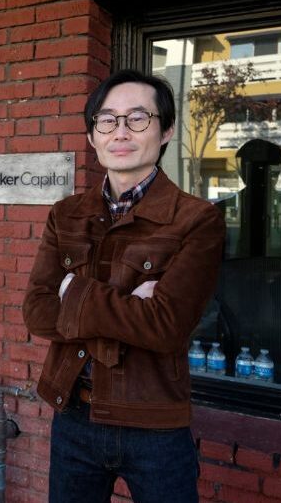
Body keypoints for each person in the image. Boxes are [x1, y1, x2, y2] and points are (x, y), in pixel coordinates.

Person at [22, 69, 225, 503]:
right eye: (107, 120)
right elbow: (37, 311)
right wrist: (131, 307)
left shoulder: (196, 219)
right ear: (93, 136)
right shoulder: (67, 214)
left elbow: (166, 326)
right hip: (74, 413)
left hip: (155, 424)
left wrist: (74, 294)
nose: (121, 132)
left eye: (138, 118)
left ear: (166, 129)